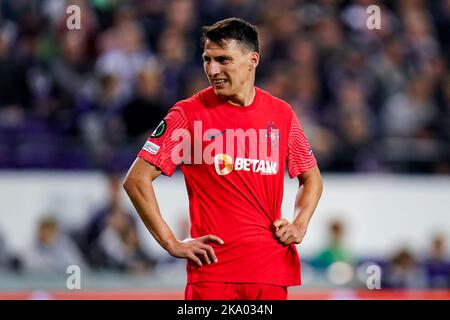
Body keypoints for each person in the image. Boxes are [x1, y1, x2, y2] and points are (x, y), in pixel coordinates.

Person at [123, 17, 323, 300]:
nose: (212, 69)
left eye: (223, 59)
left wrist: (300, 223)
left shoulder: (281, 114)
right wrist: (170, 242)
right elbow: (137, 179)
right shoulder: (188, 115)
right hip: (213, 274)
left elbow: (311, 178)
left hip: (270, 272)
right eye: (207, 60)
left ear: (252, 59)